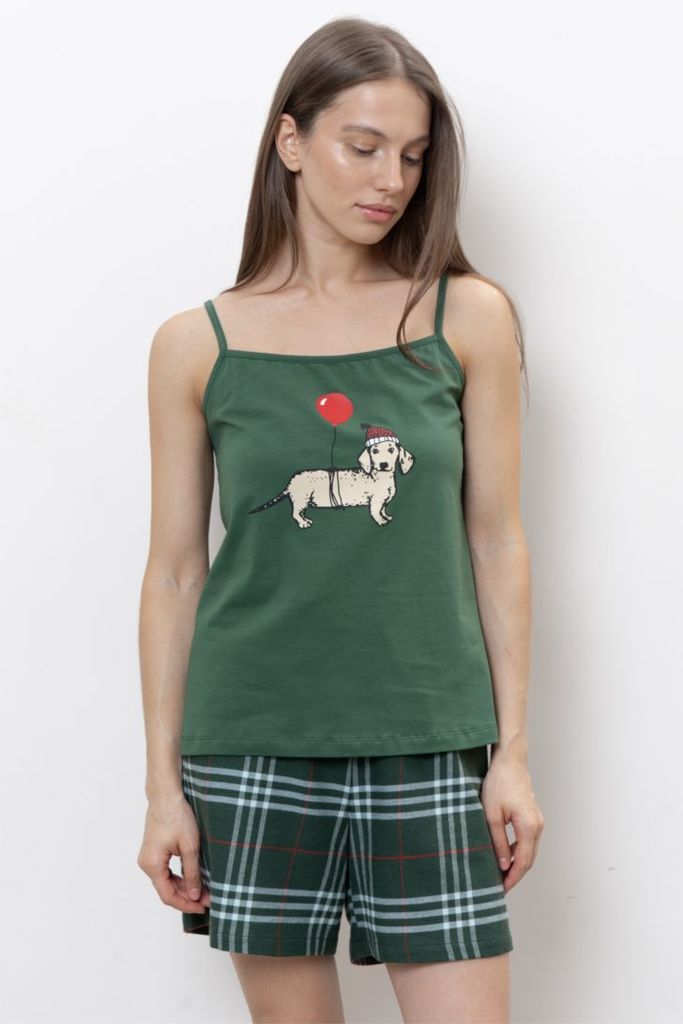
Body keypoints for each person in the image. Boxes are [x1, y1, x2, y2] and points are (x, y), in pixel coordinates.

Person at [137, 15, 543, 1024]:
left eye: (411, 155)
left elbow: (496, 540)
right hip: (252, 740)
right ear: (290, 141)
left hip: (430, 735)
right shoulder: (197, 343)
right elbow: (176, 573)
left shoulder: (464, 316)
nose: (390, 180)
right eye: (362, 147)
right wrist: (161, 788)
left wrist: (511, 753)